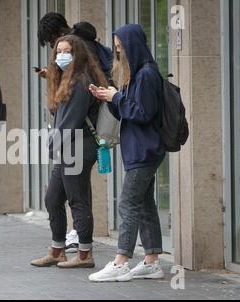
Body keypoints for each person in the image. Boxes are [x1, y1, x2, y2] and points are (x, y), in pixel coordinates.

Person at [88, 24, 166, 282]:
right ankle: (152, 261)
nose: (118, 53)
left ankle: (121, 261)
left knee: (128, 202)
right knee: (144, 204)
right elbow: (129, 111)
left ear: (133, 46)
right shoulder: (137, 75)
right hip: (139, 149)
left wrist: (117, 98)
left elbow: (143, 113)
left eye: (120, 48)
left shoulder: (146, 75)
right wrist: (108, 97)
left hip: (144, 151)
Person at [30, 35, 108, 269]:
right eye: (59, 51)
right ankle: (57, 250)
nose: (62, 56)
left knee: (78, 200)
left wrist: (52, 145)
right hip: (68, 147)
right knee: (53, 199)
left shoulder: (81, 81)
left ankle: (85, 255)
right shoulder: (68, 78)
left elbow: (70, 122)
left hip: (79, 146)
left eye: (68, 52)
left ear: (78, 55)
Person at [37, 12, 112, 79]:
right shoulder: (79, 41)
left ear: (62, 32)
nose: (52, 46)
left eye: (52, 41)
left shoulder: (81, 45)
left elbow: (81, 76)